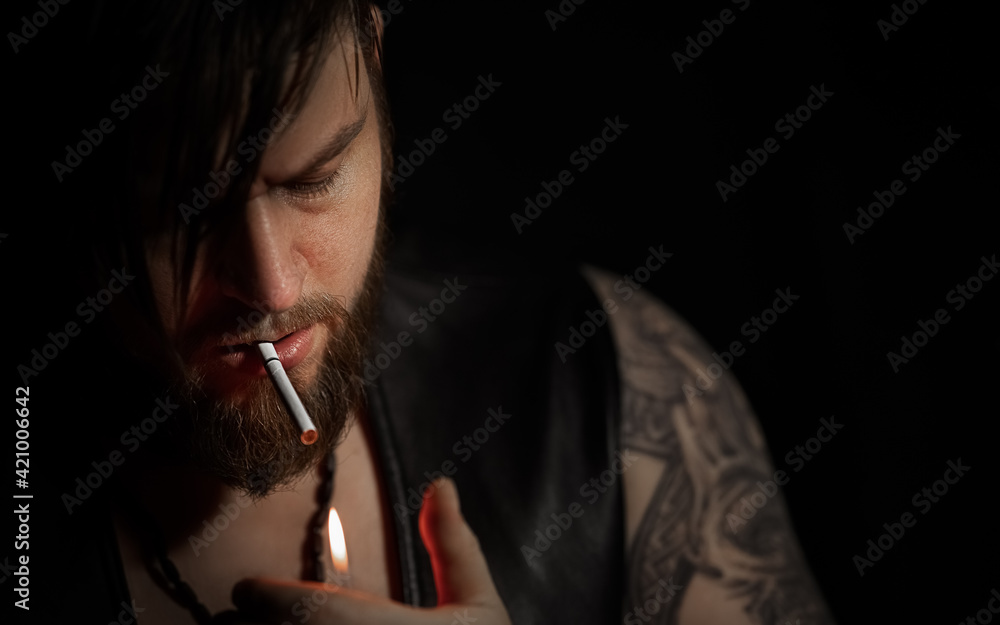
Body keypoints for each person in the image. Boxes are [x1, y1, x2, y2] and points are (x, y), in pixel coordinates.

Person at [24, 1, 837, 623]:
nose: (270, 288)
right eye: (182, 215)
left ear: (373, 57)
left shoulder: (605, 381)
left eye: (311, 178)